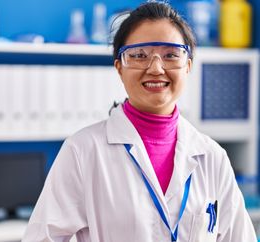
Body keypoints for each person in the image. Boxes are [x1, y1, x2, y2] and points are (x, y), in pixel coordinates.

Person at [22, 1, 257, 241]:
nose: (156, 68)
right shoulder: (82, 151)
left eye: (170, 55)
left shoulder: (212, 157)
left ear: (187, 66)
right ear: (119, 68)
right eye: (139, 55)